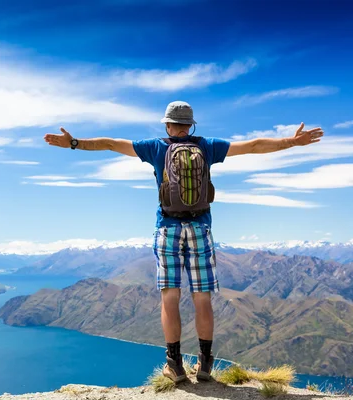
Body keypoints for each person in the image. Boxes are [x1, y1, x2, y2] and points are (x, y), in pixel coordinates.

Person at [43, 101, 324, 382]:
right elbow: (252, 146)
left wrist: (75, 143)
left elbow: (111, 144)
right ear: (191, 125)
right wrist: (291, 142)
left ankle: (174, 365)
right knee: (202, 300)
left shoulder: (155, 147)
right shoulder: (208, 146)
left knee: (170, 298)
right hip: (200, 228)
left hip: (167, 229)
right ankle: (204, 364)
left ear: (167, 124)